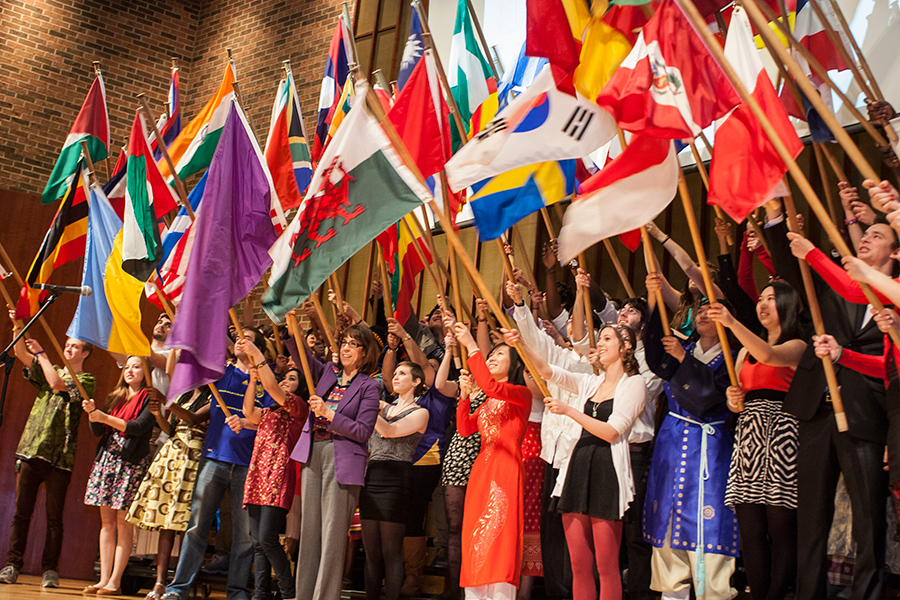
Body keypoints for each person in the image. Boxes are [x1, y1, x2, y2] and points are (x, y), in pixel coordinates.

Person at [763, 201, 893, 600]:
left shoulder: (895, 297)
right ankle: (808, 594)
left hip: (865, 413)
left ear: (896, 252)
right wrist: (775, 214)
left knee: (868, 516)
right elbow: (789, 264)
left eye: (878, 235)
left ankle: (868, 594)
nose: (867, 237)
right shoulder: (834, 283)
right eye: (866, 233)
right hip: (815, 408)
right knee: (812, 516)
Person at [514, 323, 647, 600]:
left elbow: (611, 431)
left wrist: (569, 410)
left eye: (607, 338)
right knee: (579, 565)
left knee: (606, 565)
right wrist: (522, 346)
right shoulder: (592, 382)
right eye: (600, 338)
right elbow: (550, 372)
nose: (600, 343)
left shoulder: (634, 383)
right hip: (576, 469)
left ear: (625, 347)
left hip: (606, 471)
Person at [161, 328, 274, 600]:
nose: (238, 341)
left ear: (256, 347)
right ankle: (178, 589)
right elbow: (178, 370)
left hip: (247, 463)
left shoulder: (267, 382)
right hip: (215, 457)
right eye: (237, 338)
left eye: (246, 338)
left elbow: (270, 423)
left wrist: (248, 422)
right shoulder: (220, 372)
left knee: (244, 536)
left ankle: (236, 591)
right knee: (197, 526)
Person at [710, 283, 805, 600]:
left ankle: (776, 595)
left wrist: (732, 322)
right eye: (760, 298)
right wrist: (733, 398)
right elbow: (736, 403)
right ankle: (759, 593)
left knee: (781, 529)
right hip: (749, 437)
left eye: (771, 299)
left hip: (781, 436)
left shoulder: (797, 344)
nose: (762, 304)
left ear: (788, 305)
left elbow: (771, 355)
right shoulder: (746, 352)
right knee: (750, 530)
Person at [642, 291, 740, 600]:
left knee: (710, 524)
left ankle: (714, 591)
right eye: (700, 309)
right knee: (668, 520)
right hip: (672, 445)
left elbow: (708, 398)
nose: (702, 313)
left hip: (711, 446)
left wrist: (685, 360)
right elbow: (654, 352)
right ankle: (672, 594)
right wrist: (654, 297)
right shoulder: (680, 348)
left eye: (712, 310)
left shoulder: (734, 357)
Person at [0, 315, 96, 589]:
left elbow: (57, 384)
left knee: (54, 517)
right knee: (21, 513)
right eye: (67, 344)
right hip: (31, 451)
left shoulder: (86, 380)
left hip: (60, 459)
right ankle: (12, 564)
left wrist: (42, 353)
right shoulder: (48, 368)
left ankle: (50, 569)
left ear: (85, 353)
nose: (68, 349)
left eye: (75, 346)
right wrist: (19, 324)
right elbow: (19, 352)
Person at [288, 323, 381, 600]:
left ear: (365, 353)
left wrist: (329, 413)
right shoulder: (329, 371)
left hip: (343, 458)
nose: (346, 348)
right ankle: (303, 594)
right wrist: (289, 326)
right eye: (344, 343)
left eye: (353, 344)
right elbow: (300, 353)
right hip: (313, 452)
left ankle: (325, 596)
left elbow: (363, 431)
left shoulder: (370, 386)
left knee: (332, 534)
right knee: (310, 531)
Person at [453, 321, 532, 600]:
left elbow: (489, 385)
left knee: (501, 533)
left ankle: (500, 592)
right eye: (490, 355)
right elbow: (464, 429)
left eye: (500, 354)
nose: (492, 358)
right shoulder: (487, 402)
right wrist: (464, 395)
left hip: (506, 468)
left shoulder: (520, 395)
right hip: (482, 471)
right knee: (475, 533)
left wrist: (471, 344)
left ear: (514, 365)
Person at [380, 316, 457, 597]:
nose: (429, 371)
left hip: (428, 458)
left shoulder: (442, 394)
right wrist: (393, 346)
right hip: (402, 458)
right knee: (399, 516)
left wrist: (404, 334)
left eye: (434, 368)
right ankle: (399, 573)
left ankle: (412, 578)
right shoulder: (412, 397)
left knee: (413, 515)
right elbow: (389, 379)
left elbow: (423, 364)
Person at [234, 338, 308, 600]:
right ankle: (261, 594)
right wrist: (253, 380)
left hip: (278, 476)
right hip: (257, 476)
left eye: (292, 379)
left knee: (267, 538)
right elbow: (248, 411)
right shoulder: (268, 412)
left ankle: (289, 594)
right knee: (257, 542)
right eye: (284, 378)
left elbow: (273, 387)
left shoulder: (299, 408)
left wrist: (257, 355)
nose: (286, 382)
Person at [82, 356, 158, 596]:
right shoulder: (115, 397)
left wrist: (104, 417)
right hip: (107, 461)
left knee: (124, 524)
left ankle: (116, 580)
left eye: (136, 366)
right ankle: (103, 579)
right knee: (106, 523)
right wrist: (93, 413)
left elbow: (138, 427)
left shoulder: (150, 398)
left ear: (145, 371)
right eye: (127, 367)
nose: (130, 370)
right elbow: (98, 430)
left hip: (131, 464)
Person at [126, 386, 212, 600]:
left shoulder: (214, 394)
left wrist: (167, 402)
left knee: (189, 523)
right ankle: (160, 582)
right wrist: (158, 414)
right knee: (167, 522)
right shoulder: (183, 394)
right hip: (173, 455)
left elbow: (193, 419)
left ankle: (182, 581)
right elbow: (171, 429)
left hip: (196, 455)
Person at [360, 361, 429, 600]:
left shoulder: (421, 412)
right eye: (395, 373)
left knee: (391, 552)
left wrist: (370, 410)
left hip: (398, 477)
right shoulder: (383, 407)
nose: (396, 377)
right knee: (371, 551)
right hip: (373, 474)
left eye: (402, 373)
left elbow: (389, 431)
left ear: (416, 381)